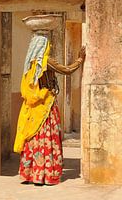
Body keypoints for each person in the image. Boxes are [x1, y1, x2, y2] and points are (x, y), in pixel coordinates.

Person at [14, 30, 86, 185]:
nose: (49, 48)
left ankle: (31, 174)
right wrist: (80, 60)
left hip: (32, 109)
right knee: (47, 138)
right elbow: (67, 70)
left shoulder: (29, 65)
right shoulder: (45, 62)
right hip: (46, 107)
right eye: (47, 46)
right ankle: (46, 175)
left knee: (33, 139)